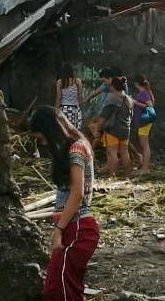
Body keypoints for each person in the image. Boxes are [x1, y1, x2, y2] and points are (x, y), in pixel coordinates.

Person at [29, 106, 99, 301]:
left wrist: (58, 230)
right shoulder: (75, 147)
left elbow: (77, 194)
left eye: (43, 139)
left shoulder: (76, 148)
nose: (44, 144)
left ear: (52, 131)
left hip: (78, 228)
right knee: (64, 288)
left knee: (58, 290)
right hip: (72, 226)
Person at [90, 76, 134, 176]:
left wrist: (98, 129)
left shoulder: (112, 98)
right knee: (125, 153)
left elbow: (104, 116)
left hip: (113, 130)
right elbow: (131, 116)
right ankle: (128, 175)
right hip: (126, 130)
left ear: (113, 86)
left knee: (112, 153)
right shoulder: (130, 100)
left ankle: (113, 176)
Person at [132, 75, 155, 174]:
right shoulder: (144, 93)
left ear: (137, 83)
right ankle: (144, 166)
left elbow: (150, 106)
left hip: (145, 122)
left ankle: (145, 168)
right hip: (142, 122)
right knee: (143, 145)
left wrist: (135, 102)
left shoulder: (144, 93)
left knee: (145, 145)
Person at [55, 63, 83, 131]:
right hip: (75, 109)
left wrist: (56, 109)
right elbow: (80, 97)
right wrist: (80, 108)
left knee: (64, 130)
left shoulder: (60, 82)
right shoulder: (77, 81)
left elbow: (59, 97)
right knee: (75, 132)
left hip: (64, 109)